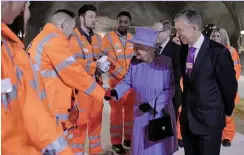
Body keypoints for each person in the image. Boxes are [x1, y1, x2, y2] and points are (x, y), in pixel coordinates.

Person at [2, 1, 73, 154]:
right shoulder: (54, 39)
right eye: (25, 6)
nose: (27, 12)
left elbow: (30, 109)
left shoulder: (12, 48)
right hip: (54, 99)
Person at [27, 9, 106, 144]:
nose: (72, 33)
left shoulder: (43, 37)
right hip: (52, 104)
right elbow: (73, 72)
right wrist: (102, 94)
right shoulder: (55, 39)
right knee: (58, 144)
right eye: (72, 27)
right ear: (63, 23)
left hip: (45, 99)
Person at [104, 27, 178, 155]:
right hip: (140, 113)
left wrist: (152, 104)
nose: (135, 50)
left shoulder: (165, 62)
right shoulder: (135, 63)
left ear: (149, 48)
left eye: (139, 47)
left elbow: (169, 90)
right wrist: (116, 92)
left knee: (157, 148)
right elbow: (128, 81)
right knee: (140, 147)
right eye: (134, 46)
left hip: (159, 113)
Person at [174, 9, 238, 155]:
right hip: (188, 122)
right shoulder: (184, 51)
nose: (178, 34)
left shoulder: (218, 52)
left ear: (194, 28)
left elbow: (229, 87)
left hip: (209, 123)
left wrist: (224, 111)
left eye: (180, 30)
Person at [69, 4, 109, 155]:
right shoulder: (72, 37)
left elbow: (102, 55)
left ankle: (96, 151)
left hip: (96, 86)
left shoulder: (98, 38)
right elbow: (72, 63)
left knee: (96, 122)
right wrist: (95, 65)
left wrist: (104, 62)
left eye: (95, 17)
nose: (94, 20)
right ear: (81, 18)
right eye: (91, 17)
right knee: (80, 123)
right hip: (81, 89)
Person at [101, 11, 136, 154]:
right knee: (116, 115)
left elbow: (135, 59)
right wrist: (125, 76)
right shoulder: (108, 38)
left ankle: (128, 138)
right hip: (116, 84)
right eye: (120, 21)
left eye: (125, 22)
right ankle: (116, 142)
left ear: (129, 23)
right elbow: (109, 61)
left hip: (132, 85)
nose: (122, 24)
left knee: (130, 114)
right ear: (117, 22)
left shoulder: (132, 38)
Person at [210, 28, 242, 147]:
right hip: (212, 88)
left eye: (218, 36)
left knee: (228, 114)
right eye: (214, 36)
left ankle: (227, 136)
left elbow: (236, 70)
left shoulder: (231, 51)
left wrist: (227, 84)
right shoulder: (208, 50)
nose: (216, 38)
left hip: (227, 87)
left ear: (223, 37)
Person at [153, 20, 182, 121]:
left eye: (157, 32)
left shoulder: (177, 50)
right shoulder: (153, 50)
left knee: (167, 132)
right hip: (155, 99)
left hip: (169, 98)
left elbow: (177, 76)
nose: (154, 35)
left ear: (167, 31)